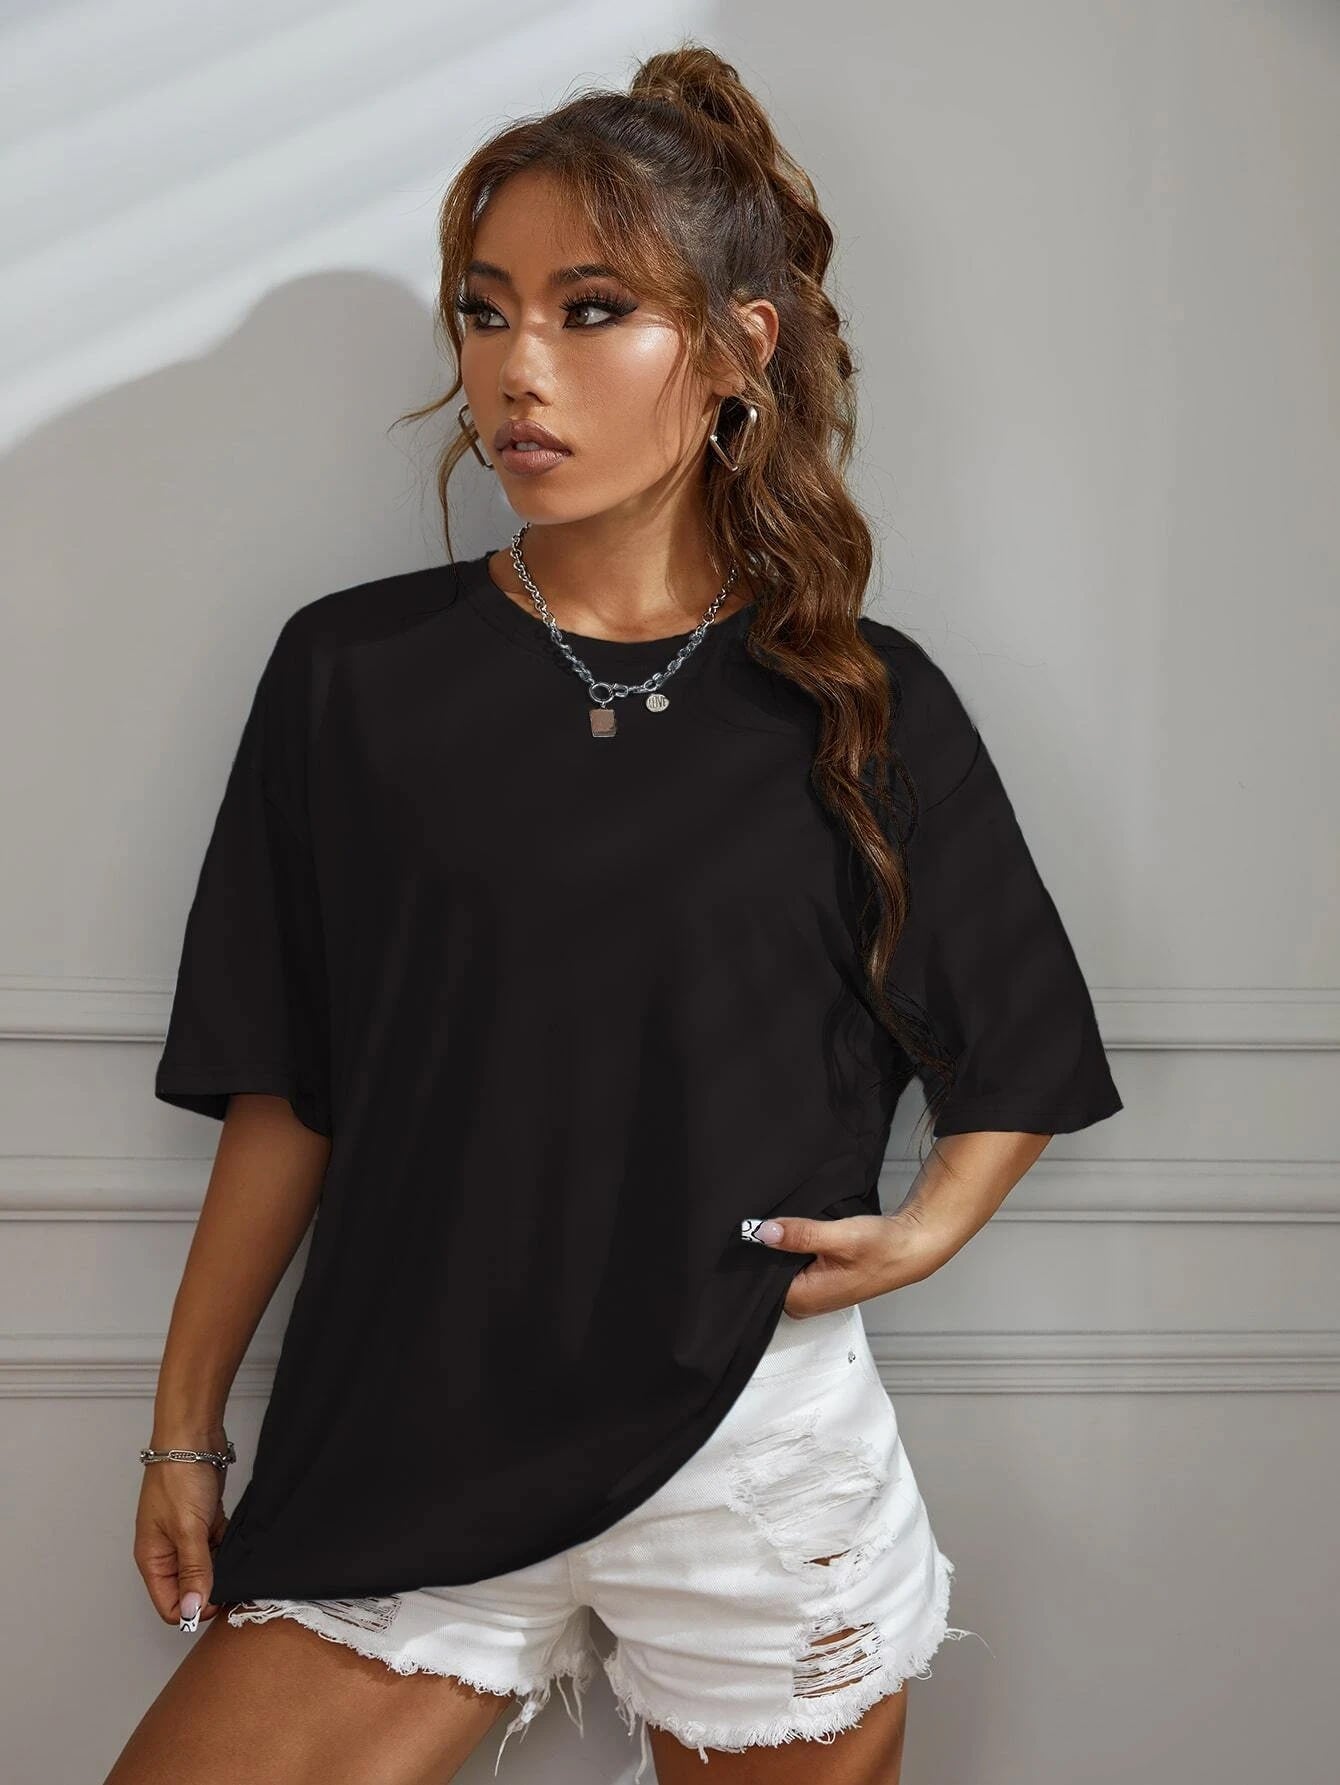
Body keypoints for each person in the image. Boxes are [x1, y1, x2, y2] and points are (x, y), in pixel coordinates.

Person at [104, 42, 1123, 1785]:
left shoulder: (859, 701)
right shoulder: (352, 674)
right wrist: (183, 1426)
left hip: (754, 1456)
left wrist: (928, 1230)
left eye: (591, 313)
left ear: (736, 348)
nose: (519, 368)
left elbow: (1017, 1035)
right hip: (406, 1442)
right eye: (484, 312)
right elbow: (289, 1081)